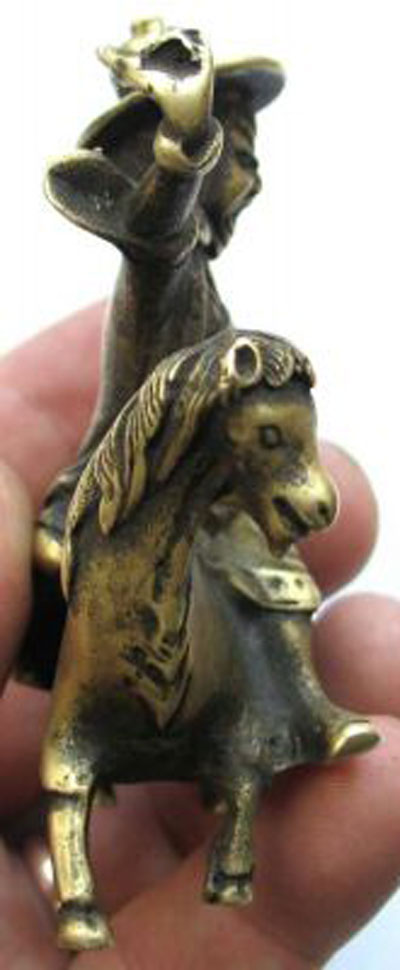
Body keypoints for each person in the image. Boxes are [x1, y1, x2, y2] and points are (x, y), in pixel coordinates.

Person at [1, 302, 400, 967]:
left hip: (214, 503)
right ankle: (44, 663)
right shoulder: (149, 307)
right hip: (108, 489)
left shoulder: (211, 315)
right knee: (48, 567)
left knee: (279, 581)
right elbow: (119, 413)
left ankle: (305, 709)